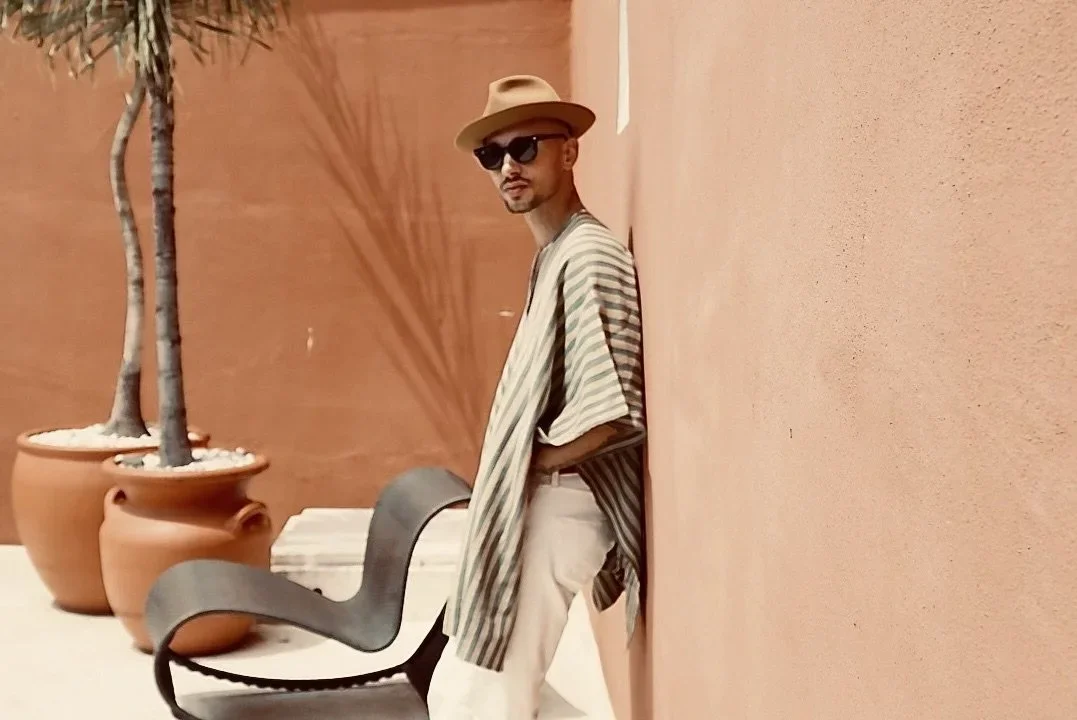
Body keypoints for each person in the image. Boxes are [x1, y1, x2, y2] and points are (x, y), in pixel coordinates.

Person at [427, 75, 647, 719]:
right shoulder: (556, 254)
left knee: (476, 700)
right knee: (488, 692)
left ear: (569, 152)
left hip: (560, 508)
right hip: (536, 509)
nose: (508, 168)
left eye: (526, 148)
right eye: (491, 156)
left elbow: (608, 412)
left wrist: (527, 462)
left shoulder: (589, 257)